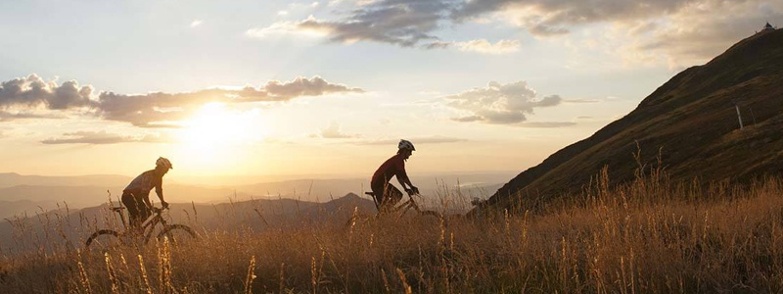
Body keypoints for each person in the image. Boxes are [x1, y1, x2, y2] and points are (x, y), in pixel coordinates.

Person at [122, 157, 172, 233]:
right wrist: (150, 206)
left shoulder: (159, 177)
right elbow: (145, 194)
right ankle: (132, 234)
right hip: (128, 197)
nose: (165, 173)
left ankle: (136, 232)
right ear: (160, 168)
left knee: (147, 213)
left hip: (136, 197)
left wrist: (163, 201)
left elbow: (158, 190)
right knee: (137, 214)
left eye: (167, 171)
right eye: (165, 170)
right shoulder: (148, 176)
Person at [371, 139, 419, 213]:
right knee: (395, 198)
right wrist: (412, 187)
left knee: (397, 196)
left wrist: (406, 188)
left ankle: (384, 214)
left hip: (380, 183)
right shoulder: (398, 160)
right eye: (410, 152)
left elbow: (399, 177)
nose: (410, 154)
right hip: (378, 184)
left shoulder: (398, 160)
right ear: (405, 151)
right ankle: (381, 218)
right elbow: (404, 176)